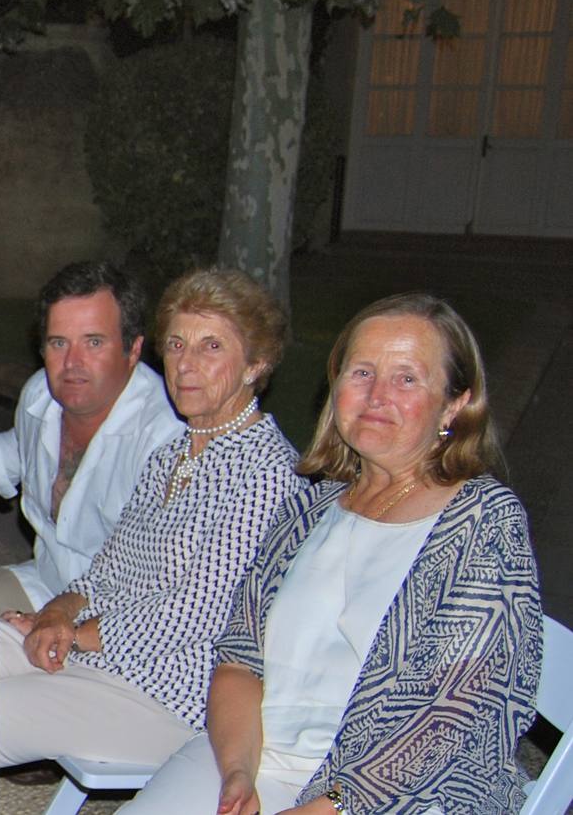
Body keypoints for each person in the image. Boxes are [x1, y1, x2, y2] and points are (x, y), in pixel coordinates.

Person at [123, 293, 542, 814]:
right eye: (361, 372)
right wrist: (236, 773)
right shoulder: (310, 509)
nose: (377, 396)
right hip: (258, 756)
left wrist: (326, 806)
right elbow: (238, 659)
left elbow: (452, 713)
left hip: (404, 791)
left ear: (455, 403)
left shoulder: (483, 519)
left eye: (407, 378)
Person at [0, 268, 301, 777]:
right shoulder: (174, 454)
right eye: (177, 345)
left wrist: (73, 634)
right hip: (101, 652)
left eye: (211, 347)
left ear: (256, 363)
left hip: (170, 694)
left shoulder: (267, 473)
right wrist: (57, 612)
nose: (186, 365)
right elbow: (106, 569)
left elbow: (193, 614)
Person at [0, 261, 184, 614]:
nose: (72, 362)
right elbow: (18, 450)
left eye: (94, 342)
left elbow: (165, 584)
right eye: (59, 343)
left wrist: (58, 626)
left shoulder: (165, 438)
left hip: (122, 615)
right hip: (45, 582)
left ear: (133, 349)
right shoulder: (41, 396)